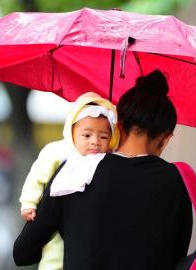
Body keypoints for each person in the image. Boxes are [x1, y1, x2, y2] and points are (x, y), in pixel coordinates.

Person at [13, 69, 193, 270]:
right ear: (166, 138)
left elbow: (23, 253)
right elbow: (178, 258)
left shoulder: (76, 172)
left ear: (119, 124)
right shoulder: (176, 182)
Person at [19, 92, 120, 270]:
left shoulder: (108, 162)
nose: (95, 142)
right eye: (87, 136)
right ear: (71, 132)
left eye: (103, 137)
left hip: (84, 227)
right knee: (54, 251)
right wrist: (29, 202)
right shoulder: (57, 151)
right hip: (58, 214)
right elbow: (36, 177)